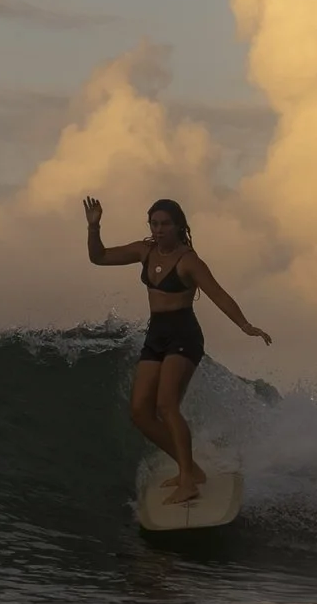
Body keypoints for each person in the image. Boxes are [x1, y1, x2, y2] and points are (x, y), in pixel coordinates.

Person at [82, 195, 271, 503]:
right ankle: (191, 469)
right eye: (154, 224)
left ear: (179, 226)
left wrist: (245, 325)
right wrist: (94, 227)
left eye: (165, 224)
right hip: (156, 334)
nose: (158, 230)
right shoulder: (144, 251)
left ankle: (188, 481)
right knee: (141, 412)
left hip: (184, 334)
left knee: (167, 406)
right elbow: (99, 257)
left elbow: (219, 295)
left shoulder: (189, 261)